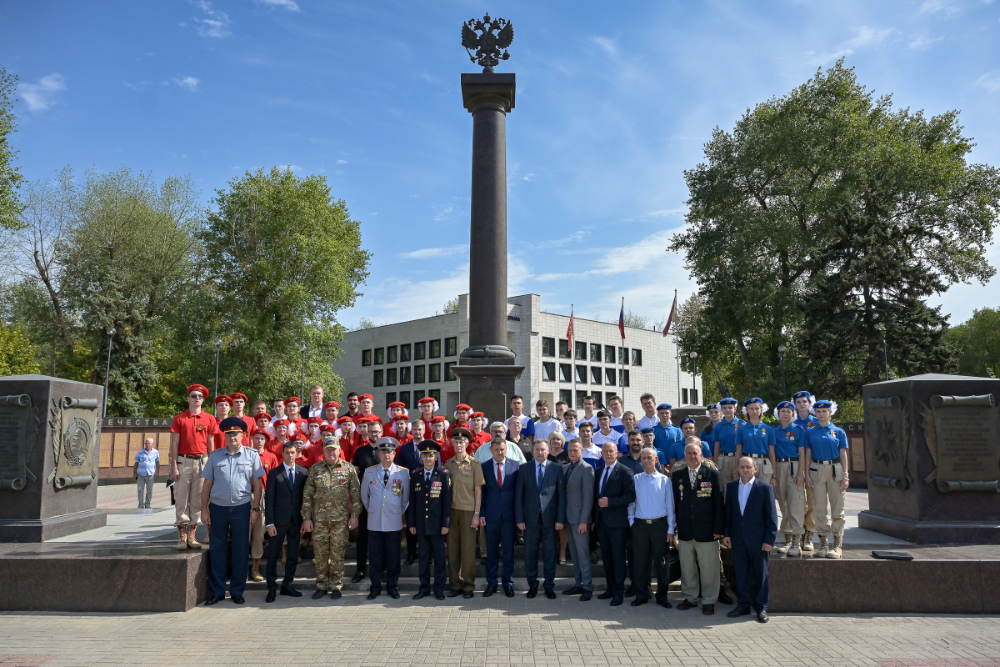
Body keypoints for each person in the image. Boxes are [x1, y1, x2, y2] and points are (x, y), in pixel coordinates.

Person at [200, 417, 264, 605]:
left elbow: (258, 484)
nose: (232, 437)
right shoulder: (215, 456)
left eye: (235, 434)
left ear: (243, 435)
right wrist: (204, 510)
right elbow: (207, 484)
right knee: (217, 550)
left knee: (240, 549)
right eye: (229, 434)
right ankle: (217, 592)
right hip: (218, 508)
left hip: (241, 507)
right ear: (225, 436)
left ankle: (237, 591)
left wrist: (256, 508)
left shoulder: (252, 456)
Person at [301, 438, 360, 600]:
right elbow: (307, 495)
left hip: (340, 521)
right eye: (328, 450)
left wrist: (354, 515)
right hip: (319, 520)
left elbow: (356, 495)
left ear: (339, 450)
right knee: (320, 554)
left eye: (334, 449)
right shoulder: (316, 469)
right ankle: (321, 584)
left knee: (337, 554)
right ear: (324, 451)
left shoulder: (348, 469)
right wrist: (306, 518)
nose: (331, 452)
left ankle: (335, 585)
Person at [672, 442, 726, 615]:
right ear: (685, 456)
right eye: (689, 454)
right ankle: (690, 597)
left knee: (709, 567)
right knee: (687, 567)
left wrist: (719, 528)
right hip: (686, 530)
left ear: (701, 455)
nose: (692, 456)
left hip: (708, 531)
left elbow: (719, 503)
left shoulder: (713, 474)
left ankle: (709, 600)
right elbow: (675, 503)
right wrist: (674, 528)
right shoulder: (677, 476)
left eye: (695, 453)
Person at [723, 456, 777, 623]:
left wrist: (770, 540)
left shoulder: (765, 488)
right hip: (738, 539)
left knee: (761, 575)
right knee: (741, 574)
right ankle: (743, 605)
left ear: (756, 469)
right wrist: (726, 533)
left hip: (759, 541)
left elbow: (772, 517)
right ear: (737, 469)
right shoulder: (731, 487)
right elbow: (729, 513)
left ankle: (761, 608)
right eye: (742, 467)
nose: (745, 470)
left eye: (748, 467)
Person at [169, 384, 220, 551]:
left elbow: (211, 445)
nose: (197, 398)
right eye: (193, 395)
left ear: (203, 400)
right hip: (183, 462)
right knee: (181, 499)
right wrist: (174, 467)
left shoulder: (210, 419)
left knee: (198, 500)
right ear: (188, 399)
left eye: (200, 396)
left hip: (202, 462)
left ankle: (192, 534)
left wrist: (212, 466)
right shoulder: (180, 418)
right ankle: (181, 536)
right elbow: (174, 444)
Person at [515, 438, 566, 599]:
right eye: (537, 450)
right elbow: (518, 497)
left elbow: (561, 497)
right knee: (530, 554)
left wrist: (560, 519)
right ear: (533, 451)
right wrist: (519, 519)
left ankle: (549, 586)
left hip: (550, 520)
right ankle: (532, 586)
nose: (540, 452)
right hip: (530, 520)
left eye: (543, 449)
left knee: (550, 554)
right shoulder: (524, 469)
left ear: (548, 451)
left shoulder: (557, 469)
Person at [360, 437, 410, 600]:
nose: (386, 455)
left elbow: (405, 499)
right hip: (374, 521)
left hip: (394, 521)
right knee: (375, 556)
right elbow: (364, 497)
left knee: (393, 556)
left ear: (394, 454)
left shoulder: (403, 472)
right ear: (379, 454)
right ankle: (375, 587)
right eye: (383, 452)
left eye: (389, 452)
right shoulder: (370, 472)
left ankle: (392, 585)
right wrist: (374, 510)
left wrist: (395, 511)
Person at [629, 447, 676, 608]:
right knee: (640, 562)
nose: (647, 460)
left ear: (656, 459)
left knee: (661, 562)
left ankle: (662, 596)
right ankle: (641, 594)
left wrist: (671, 528)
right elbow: (631, 503)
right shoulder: (636, 479)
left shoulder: (664, 480)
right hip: (640, 525)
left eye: (650, 458)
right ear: (641, 460)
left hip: (660, 526)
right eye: (644, 458)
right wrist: (631, 522)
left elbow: (670, 506)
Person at [262, 440, 308, 601]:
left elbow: (305, 498)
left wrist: (304, 519)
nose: (290, 455)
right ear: (282, 454)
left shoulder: (303, 472)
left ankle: (287, 584)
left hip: (296, 521)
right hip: (278, 522)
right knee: (273, 555)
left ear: (297, 454)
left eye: (293, 452)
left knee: (293, 555)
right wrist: (269, 522)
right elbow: (269, 500)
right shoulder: (274, 473)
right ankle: (272, 588)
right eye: (287, 452)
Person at [804, 400, 849, 559]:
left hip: (835, 469)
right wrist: (807, 474)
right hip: (816, 469)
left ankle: (837, 545)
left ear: (830, 412)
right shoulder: (810, 432)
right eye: (818, 411)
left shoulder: (838, 431)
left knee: (838, 507)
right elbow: (808, 454)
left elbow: (843, 454)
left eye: (824, 411)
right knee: (819, 508)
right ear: (814, 413)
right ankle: (823, 544)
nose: (821, 414)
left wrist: (846, 475)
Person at [408, 441, 452, 600]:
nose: (428, 458)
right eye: (425, 455)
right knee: (424, 559)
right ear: (421, 456)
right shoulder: (415, 474)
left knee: (440, 559)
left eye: (431, 455)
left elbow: (447, 501)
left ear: (435, 457)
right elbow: (411, 501)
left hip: (437, 525)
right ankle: (424, 588)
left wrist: (445, 523)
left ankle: (439, 589)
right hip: (420, 525)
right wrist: (411, 522)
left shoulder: (443, 474)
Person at [443, 428, 484, 598]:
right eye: (456, 442)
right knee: (452, 549)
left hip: (468, 511)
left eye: (462, 442)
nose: (459, 445)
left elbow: (478, 491)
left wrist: (476, 513)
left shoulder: (474, 464)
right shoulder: (448, 464)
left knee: (467, 549)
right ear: (452, 444)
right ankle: (455, 584)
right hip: (452, 511)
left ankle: (468, 585)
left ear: (467, 444)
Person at [593, 441, 635, 606]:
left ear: (617, 453)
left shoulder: (625, 471)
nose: (608, 454)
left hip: (618, 523)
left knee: (618, 558)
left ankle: (619, 593)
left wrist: (610, 502)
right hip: (602, 523)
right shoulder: (598, 472)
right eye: (605, 451)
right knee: (607, 558)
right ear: (601, 454)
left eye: (611, 451)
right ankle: (610, 588)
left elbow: (630, 496)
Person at [480, 437, 520, 597]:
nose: (500, 452)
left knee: (509, 551)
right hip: (491, 516)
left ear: (506, 449)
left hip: (509, 516)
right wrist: (481, 513)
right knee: (491, 551)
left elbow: (518, 493)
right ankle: (491, 583)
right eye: (496, 449)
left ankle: (508, 583)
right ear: (491, 450)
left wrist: (519, 517)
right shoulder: (483, 467)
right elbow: (481, 493)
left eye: (502, 449)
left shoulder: (515, 466)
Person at [771, 401, 807, 556]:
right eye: (782, 411)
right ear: (778, 414)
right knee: (783, 504)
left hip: (794, 466)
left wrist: (801, 473)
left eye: (788, 411)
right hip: (779, 466)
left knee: (796, 504)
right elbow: (771, 453)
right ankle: (787, 540)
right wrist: (774, 474)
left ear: (793, 414)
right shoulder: (773, 431)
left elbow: (802, 453)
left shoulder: (799, 430)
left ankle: (797, 542)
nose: (785, 414)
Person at [562, 438, 595, 600]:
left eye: (576, 450)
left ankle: (587, 587)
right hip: (568, 519)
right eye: (570, 450)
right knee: (574, 554)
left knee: (583, 554)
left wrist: (584, 520)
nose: (573, 453)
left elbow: (588, 497)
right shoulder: (566, 468)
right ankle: (578, 583)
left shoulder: (586, 469)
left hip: (580, 520)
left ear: (582, 451)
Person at [350, 418, 380, 583]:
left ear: (381, 433)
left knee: (380, 537)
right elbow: (354, 477)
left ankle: (380, 570)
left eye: (376, 431)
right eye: (371, 431)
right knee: (362, 537)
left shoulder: (387, 451)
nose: (374, 434)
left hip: (382, 501)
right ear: (367, 433)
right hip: (365, 500)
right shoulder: (360, 451)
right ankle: (360, 570)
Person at [250, 430, 279, 582]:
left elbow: (273, 479)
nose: (259, 441)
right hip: (246, 494)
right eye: (256, 438)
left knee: (259, 533)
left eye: (262, 439)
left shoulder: (271, 457)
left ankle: (255, 567)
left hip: (262, 494)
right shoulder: (246, 454)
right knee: (243, 533)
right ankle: (241, 565)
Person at [792, 390, 819, 552]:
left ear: (810, 404)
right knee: (796, 503)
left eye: (805, 401)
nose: (802, 404)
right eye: (799, 402)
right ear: (794, 404)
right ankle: (796, 534)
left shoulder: (817, 421)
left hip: (814, 466)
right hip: (794, 466)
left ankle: (809, 534)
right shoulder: (790, 422)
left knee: (813, 501)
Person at [734, 398, 776, 483]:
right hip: (747, 463)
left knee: (763, 492)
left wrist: (774, 475)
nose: (754, 411)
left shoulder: (769, 429)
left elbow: (772, 453)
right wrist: (737, 469)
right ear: (747, 410)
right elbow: (738, 451)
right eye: (751, 409)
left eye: (757, 408)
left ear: (761, 410)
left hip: (764, 463)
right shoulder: (741, 429)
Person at [713, 397, 745, 489]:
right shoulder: (718, 426)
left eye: (730, 407)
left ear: (735, 409)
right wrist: (716, 464)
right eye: (725, 408)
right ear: (721, 410)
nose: (727, 410)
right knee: (724, 487)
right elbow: (717, 447)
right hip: (724, 460)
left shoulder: (741, 424)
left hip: (738, 458)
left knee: (739, 486)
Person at [133, 437, 159, 509]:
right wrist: (134, 473)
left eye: (149, 443)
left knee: (149, 490)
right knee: (140, 489)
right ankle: (140, 504)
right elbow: (136, 463)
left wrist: (157, 472)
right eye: (146, 443)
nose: (147, 445)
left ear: (152, 444)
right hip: (141, 474)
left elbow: (157, 463)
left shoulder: (155, 452)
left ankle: (147, 504)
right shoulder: (140, 452)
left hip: (150, 474)